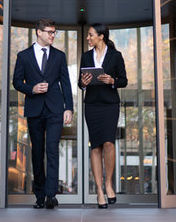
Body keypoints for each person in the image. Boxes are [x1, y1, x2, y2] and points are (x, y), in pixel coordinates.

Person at [12, 18, 74, 209]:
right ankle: (39, 195)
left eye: (54, 32)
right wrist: (32, 88)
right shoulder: (23, 56)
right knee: (37, 153)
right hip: (35, 109)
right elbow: (17, 82)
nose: (52, 35)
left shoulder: (59, 56)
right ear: (38, 32)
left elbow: (66, 83)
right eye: (49, 32)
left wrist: (69, 107)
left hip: (55, 109)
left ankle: (50, 195)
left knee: (52, 150)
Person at [78, 23, 127, 209]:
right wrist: (83, 83)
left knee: (109, 142)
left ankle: (109, 184)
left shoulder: (116, 56)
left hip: (109, 105)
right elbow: (80, 84)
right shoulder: (85, 56)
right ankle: (99, 190)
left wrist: (112, 80)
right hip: (91, 105)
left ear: (101, 36)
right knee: (95, 145)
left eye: (91, 35)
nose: (88, 38)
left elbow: (124, 79)